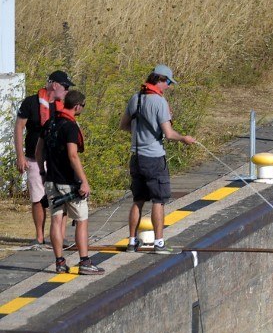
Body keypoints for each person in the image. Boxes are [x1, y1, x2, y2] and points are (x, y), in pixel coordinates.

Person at [118, 64, 196, 254]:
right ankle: (159, 243)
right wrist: (184, 139)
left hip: (136, 157)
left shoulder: (135, 98)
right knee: (158, 200)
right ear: (160, 80)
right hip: (153, 158)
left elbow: (124, 125)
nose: (169, 86)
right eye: (168, 82)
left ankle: (131, 241)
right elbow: (168, 134)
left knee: (138, 199)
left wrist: (139, 133)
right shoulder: (159, 102)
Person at [35, 90, 103, 275]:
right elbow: (73, 155)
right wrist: (84, 181)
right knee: (81, 220)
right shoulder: (70, 127)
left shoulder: (50, 123)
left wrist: (42, 172)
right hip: (69, 182)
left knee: (56, 220)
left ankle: (59, 262)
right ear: (77, 106)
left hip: (51, 180)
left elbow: (38, 151)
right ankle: (84, 262)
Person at [13, 70, 74, 250]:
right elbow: (18, 127)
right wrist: (20, 155)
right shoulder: (30, 103)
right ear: (54, 85)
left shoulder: (63, 105)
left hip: (57, 160)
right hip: (33, 157)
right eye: (65, 87)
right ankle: (39, 237)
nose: (67, 91)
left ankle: (59, 237)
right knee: (38, 198)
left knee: (60, 197)